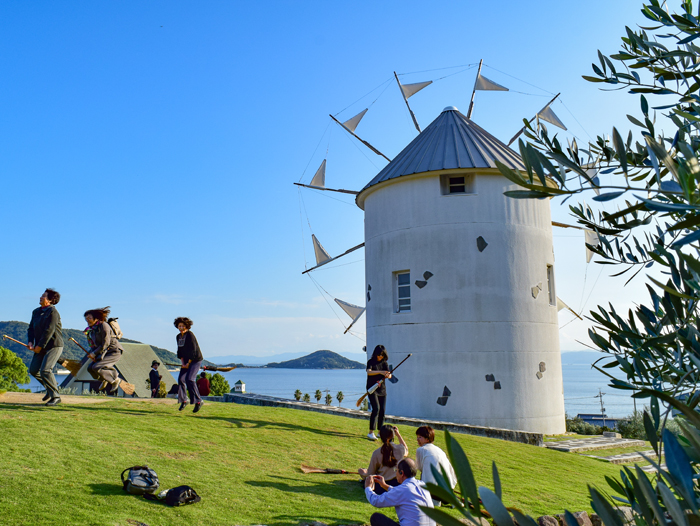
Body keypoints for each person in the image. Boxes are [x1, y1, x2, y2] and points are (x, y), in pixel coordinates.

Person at [365, 458, 435, 526]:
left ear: (402, 473)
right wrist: (384, 485)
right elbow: (402, 493)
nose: (396, 473)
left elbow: (376, 501)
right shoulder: (422, 485)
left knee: (376, 518)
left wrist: (368, 488)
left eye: (396, 470)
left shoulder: (403, 489)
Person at [27, 288, 64, 406]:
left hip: (54, 346)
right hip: (40, 346)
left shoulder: (53, 312)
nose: (40, 297)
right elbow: (31, 328)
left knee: (46, 370)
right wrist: (30, 342)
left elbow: (49, 331)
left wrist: (39, 346)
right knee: (33, 370)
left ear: (50, 300)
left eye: (43, 296)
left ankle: (56, 396)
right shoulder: (36, 312)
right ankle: (50, 389)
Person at [84, 307, 132, 395]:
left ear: (96, 318)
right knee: (90, 368)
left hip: (114, 351)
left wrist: (94, 354)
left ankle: (115, 380)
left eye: (89, 318)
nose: (87, 320)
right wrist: (92, 354)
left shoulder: (103, 325)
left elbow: (106, 343)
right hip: (104, 352)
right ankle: (105, 379)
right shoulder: (92, 330)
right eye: (86, 318)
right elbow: (95, 345)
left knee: (97, 367)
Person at [358, 424, 408, 495]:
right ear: (393, 436)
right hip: (397, 485)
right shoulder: (400, 449)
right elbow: (406, 449)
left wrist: (363, 473)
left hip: (381, 486)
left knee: (364, 474)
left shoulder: (377, 452)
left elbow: (371, 474)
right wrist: (398, 434)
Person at [415, 426, 457, 506]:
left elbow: (419, 467)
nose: (417, 440)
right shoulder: (439, 449)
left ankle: (433, 500)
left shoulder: (421, 450)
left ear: (427, 439)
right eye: (417, 437)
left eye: (420, 437)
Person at [175, 316, 204, 413]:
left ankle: (198, 400)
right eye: (179, 326)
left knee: (190, 379)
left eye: (183, 326)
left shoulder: (190, 335)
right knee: (181, 379)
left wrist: (189, 363)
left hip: (195, 359)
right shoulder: (178, 337)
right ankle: (184, 399)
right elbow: (180, 352)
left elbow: (194, 350)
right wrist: (183, 363)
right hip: (186, 360)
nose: (181, 328)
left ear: (187, 326)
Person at [366, 344, 391, 440]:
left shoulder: (385, 363)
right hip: (372, 388)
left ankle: (380, 432)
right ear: (375, 354)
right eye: (379, 355)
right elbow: (369, 372)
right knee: (376, 409)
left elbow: (389, 375)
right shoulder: (371, 362)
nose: (380, 357)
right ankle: (371, 432)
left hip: (382, 389)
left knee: (382, 411)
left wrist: (388, 375)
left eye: (382, 355)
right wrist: (381, 372)